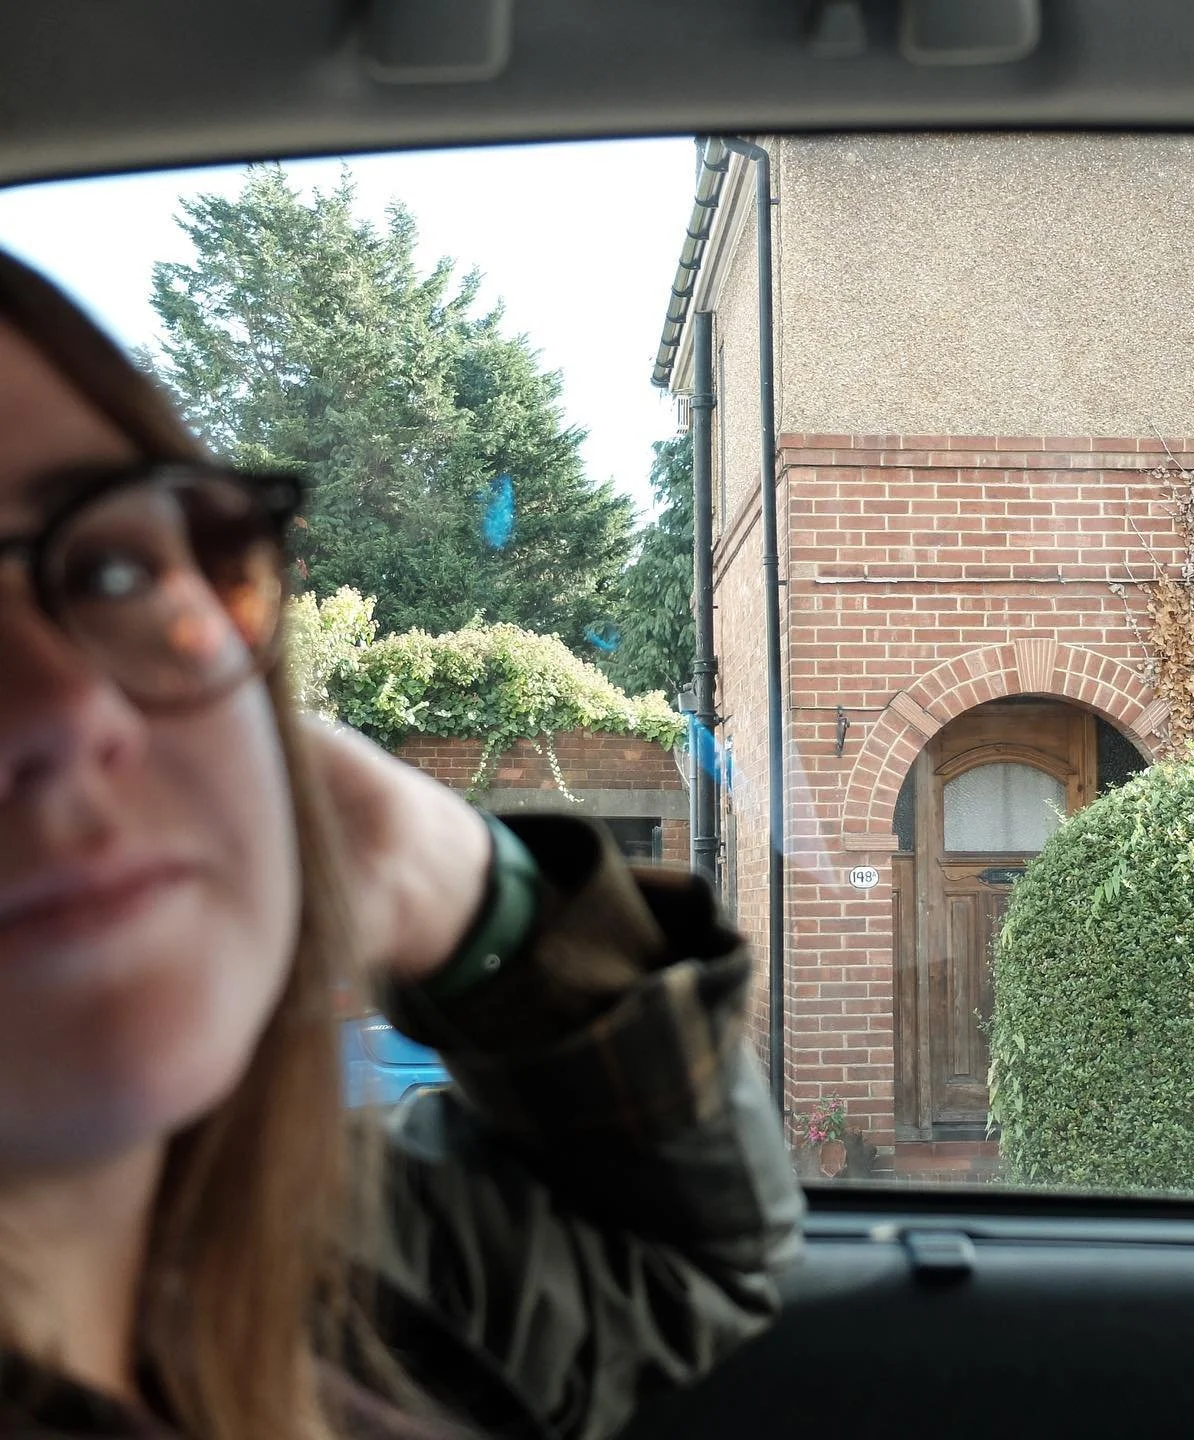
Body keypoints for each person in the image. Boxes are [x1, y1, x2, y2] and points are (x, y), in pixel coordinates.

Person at [0, 248, 803, 1440]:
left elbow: (690, 1257)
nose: (65, 708)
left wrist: (446, 875)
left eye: (115, 566)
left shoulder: (289, 1254)